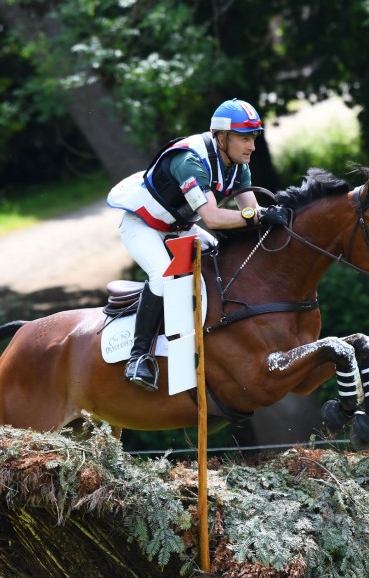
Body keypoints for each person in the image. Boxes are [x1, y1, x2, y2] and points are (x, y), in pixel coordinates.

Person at [106, 98, 289, 391]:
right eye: (245, 138)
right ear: (222, 137)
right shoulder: (190, 161)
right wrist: (260, 215)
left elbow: (250, 215)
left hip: (178, 226)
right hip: (143, 226)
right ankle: (138, 357)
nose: (252, 146)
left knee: (218, 256)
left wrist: (270, 217)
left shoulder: (238, 165)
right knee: (163, 277)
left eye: (253, 137)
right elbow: (214, 218)